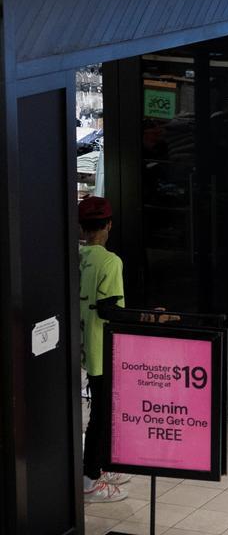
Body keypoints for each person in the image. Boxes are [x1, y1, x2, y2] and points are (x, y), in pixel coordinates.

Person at [78, 197, 133, 502]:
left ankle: (99, 465)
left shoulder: (74, 254)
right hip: (102, 347)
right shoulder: (110, 261)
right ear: (109, 225)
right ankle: (90, 478)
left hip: (80, 343)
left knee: (97, 410)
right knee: (101, 413)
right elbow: (109, 310)